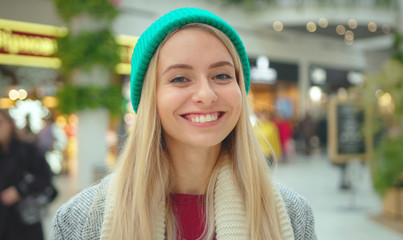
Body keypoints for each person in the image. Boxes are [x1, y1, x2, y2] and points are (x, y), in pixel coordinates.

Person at [50, 8, 316, 240]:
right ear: (149, 97)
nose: (206, 95)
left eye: (222, 75)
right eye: (180, 78)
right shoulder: (80, 220)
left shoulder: (293, 214)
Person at [0, 109, 53, 240]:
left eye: (0, 123)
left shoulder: (27, 149)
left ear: (10, 124)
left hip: (25, 220)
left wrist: (19, 190)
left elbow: (45, 176)